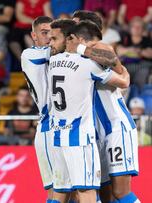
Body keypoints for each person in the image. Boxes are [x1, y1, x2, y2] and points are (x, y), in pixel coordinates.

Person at [48, 19, 130, 202]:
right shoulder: (87, 64)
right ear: (74, 38)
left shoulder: (52, 61)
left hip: (58, 136)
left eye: (53, 39)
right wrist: (124, 72)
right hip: (80, 137)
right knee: (87, 193)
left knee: (59, 193)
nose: (50, 43)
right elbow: (123, 80)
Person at [71, 11, 140, 203]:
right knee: (103, 194)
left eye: (75, 26)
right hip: (96, 133)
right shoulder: (77, 54)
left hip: (115, 127)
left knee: (121, 192)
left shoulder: (100, 46)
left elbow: (113, 61)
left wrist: (81, 49)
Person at [19, 16, 54, 201]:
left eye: (52, 32)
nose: (49, 36)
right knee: (56, 190)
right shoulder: (30, 55)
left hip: (69, 128)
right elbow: (53, 53)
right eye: (44, 32)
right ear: (34, 36)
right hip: (48, 127)